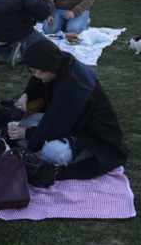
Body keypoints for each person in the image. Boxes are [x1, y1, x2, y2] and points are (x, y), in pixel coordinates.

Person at [7, 41, 127, 179]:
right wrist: (25, 96)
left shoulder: (72, 86)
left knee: (52, 152)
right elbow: (36, 82)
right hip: (69, 123)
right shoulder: (61, 62)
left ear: (46, 66)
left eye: (35, 71)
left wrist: (26, 134)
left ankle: (69, 153)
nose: (34, 75)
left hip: (91, 135)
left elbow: (56, 126)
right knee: (24, 121)